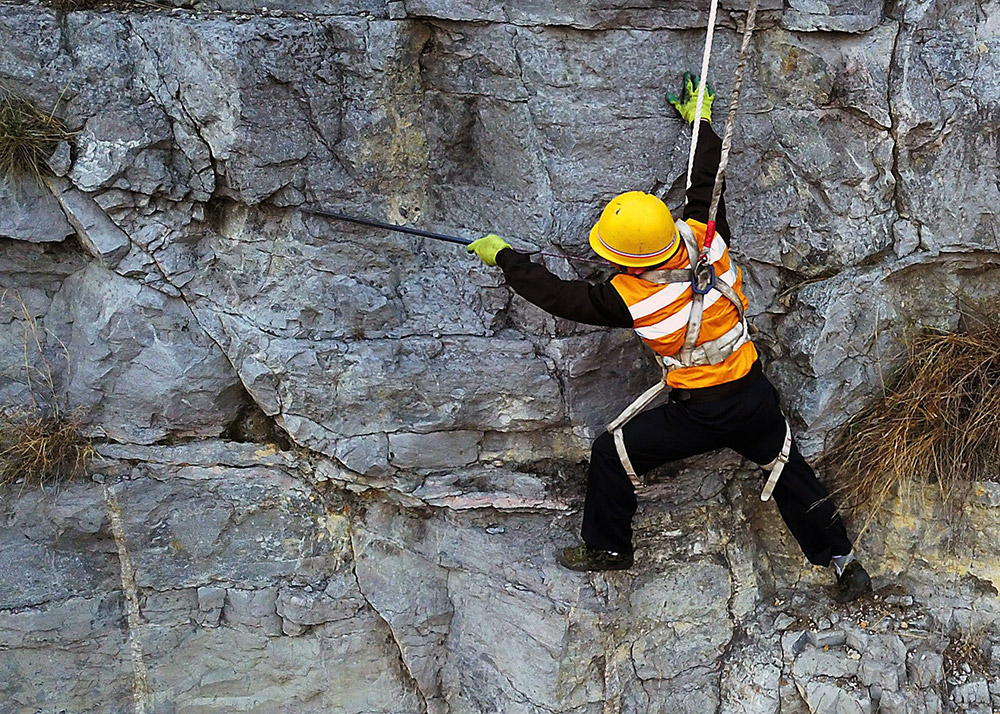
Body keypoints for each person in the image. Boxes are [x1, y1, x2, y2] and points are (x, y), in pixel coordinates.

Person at [466, 74, 872, 603]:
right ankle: (844, 561)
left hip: (698, 412)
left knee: (612, 452)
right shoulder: (708, 241)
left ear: (626, 260)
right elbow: (707, 182)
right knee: (790, 469)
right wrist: (700, 120)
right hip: (753, 396)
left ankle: (609, 548)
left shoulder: (631, 300)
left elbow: (561, 297)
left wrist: (505, 259)